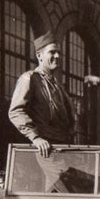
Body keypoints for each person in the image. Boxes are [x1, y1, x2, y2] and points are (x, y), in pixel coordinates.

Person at [9, 31, 75, 190]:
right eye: (52, 52)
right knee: (69, 191)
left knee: (54, 194)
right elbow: (16, 111)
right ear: (39, 55)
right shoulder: (30, 78)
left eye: (59, 52)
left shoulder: (58, 86)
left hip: (63, 148)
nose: (57, 56)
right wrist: (36, 138)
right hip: (47, 149)